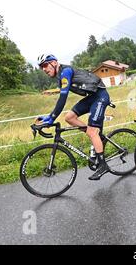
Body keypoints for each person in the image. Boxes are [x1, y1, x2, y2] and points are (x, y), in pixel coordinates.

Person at [36, 53, 111, 181]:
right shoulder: (60, 76)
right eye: (41, 67)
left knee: (92, 132)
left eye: (45, 65)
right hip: (92, 97)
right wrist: (48, 117)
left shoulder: (65, 72)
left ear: (54, 63)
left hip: (100, 96)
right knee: (69, 117)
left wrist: (52, 118)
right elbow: (61, 97)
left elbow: (63, 98)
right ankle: (96, 136)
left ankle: (103, 165)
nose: (44, 69)